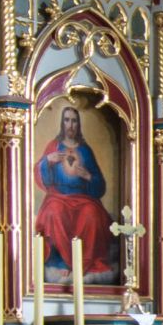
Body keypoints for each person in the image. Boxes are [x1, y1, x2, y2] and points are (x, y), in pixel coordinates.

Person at [33, 101, 115, 280]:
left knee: (92, 213)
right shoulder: (54, 146)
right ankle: (61, 260)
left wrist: (88, 176)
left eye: (74, 121)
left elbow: (100, 186)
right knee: (53, 211)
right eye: (67, 120)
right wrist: (48, 161)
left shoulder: (85, 151)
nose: (70, 125)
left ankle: (85, 262)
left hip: (83, 199)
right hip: (58, 197)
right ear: (62, 123)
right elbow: (42, 176)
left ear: (78, 124)